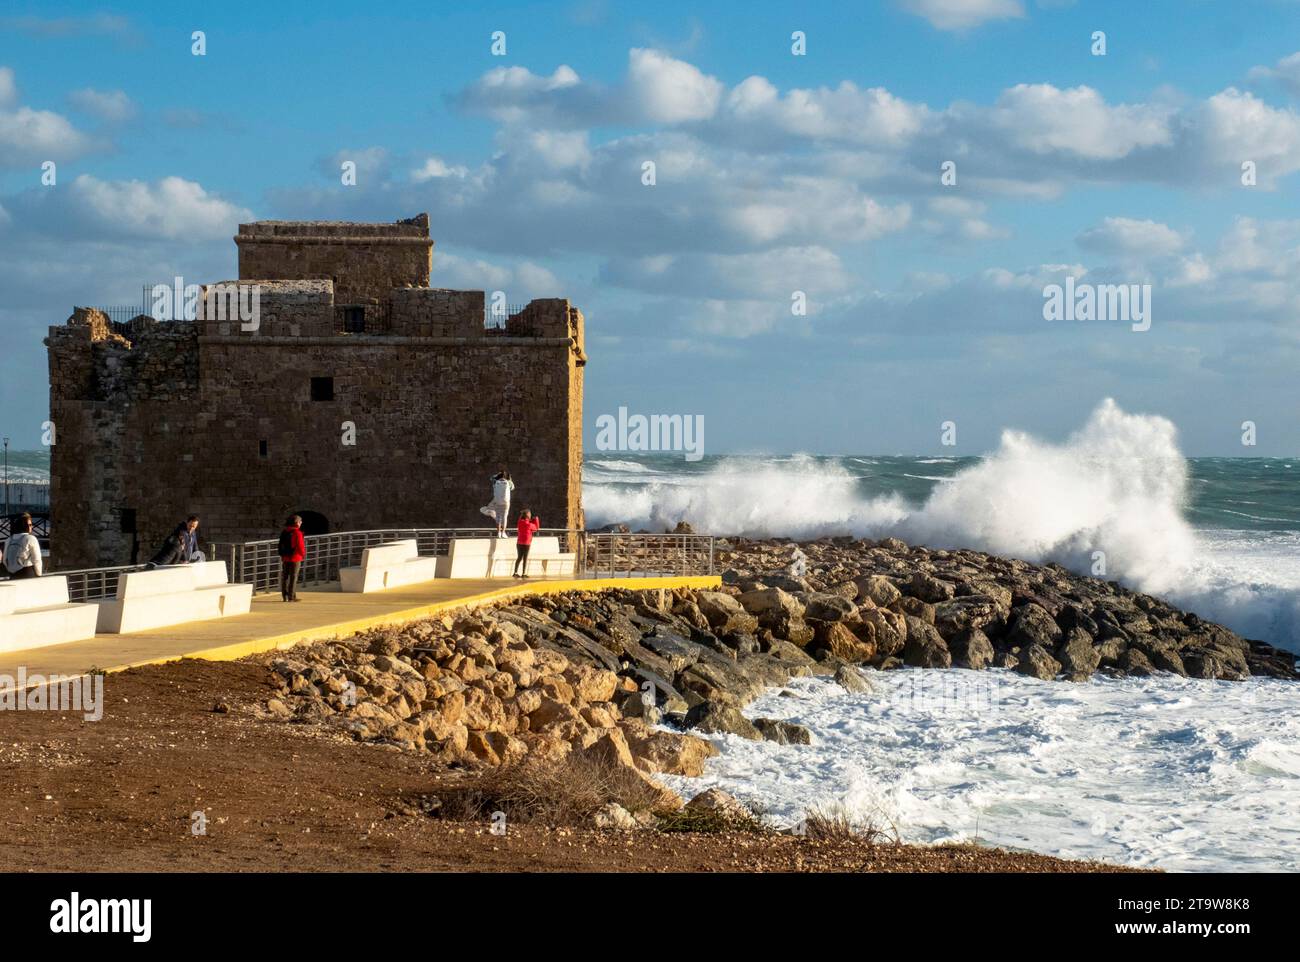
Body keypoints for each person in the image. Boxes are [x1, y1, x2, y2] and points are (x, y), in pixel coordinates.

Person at [2, 513, 43, 579]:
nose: (31, 527)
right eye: (29, 525)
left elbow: (4, 560)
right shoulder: (31, 538)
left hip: (13, 575)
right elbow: (37, 559)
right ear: (24, 525)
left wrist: (10, 569)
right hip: (27, 572)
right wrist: (39, 575)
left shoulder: (9, 539)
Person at [479, 467, 514, 538]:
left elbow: (491, 478)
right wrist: (509, 478)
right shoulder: (508, 482)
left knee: (498, 516)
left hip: (497, 501)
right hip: (506, 502)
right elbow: (512, 488)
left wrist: (498, 475)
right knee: (505, 517)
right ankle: (503, 532)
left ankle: (498, 532)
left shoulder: (495, 481)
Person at [278, 514, 306, 602]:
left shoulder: (284, 532)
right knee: (293, 577)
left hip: (285, 557)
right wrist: (303, 555)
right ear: (297, 523)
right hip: (295, 558)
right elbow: (300, 546)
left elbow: (280, 544)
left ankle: (284, 596)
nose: (301, 523)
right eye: (300, 521)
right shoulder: (297, 533)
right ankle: (291, 596)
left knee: (285, 577)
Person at [513, 508, 540, 578]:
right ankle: (524, 573)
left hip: (519, 542)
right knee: (525, 558)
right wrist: (536, 519)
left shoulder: (520, 522)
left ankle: (515, 572)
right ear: (527, 515)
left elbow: (521, 520)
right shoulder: (529, 524)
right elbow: (536, 528)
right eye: (530, 514)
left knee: (519, 557)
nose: (531, 515)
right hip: (526, 543)